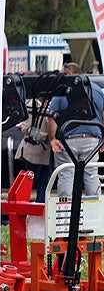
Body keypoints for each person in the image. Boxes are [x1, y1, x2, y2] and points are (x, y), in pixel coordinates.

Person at [47, 62, 104, 197]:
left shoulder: (62, 90)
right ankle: (93, 213)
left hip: (68, 140)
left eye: (63, 74)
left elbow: (52, 117)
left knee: (66, 175)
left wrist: (53, 139)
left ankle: (64, 212)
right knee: (91, 175)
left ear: (70, 73)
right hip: (92, 139)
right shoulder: (96, 89)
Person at [15, 97, 52, 202]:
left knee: (45, 181)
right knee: (30, 181)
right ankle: (22, 205)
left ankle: (41, 206)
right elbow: (25, 129)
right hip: (33, 151)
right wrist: (45, 136)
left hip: (47, 152)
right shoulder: (31, 105)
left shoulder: (50, 105)